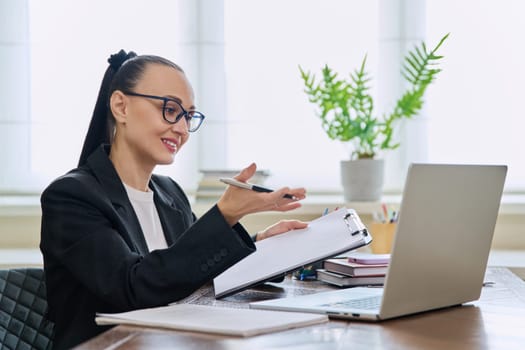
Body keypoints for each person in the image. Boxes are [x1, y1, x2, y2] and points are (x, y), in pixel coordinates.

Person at [39, 49, 307, 349]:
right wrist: (225, 215)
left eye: (188, 116)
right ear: (121, 106)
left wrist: (263, 244)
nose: (181, 128)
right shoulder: (71, 197)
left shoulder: (170, 192)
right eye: (170, 109)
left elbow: (191, 269)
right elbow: (133, 287)